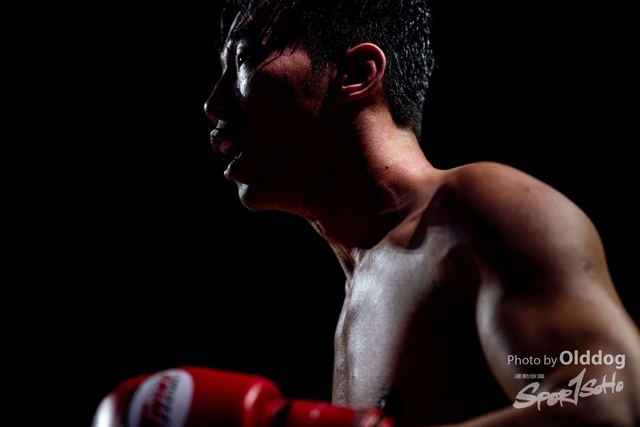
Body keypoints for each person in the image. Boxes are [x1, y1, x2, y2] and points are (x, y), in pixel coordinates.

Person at [92, 1, 640, 426]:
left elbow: (609, 402)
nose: (212, 103)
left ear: (355, 73)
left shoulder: (474, 209)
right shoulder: (360, 283)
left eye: (243, 60)